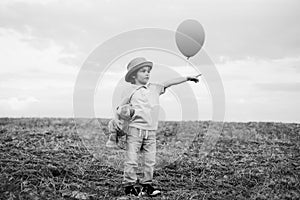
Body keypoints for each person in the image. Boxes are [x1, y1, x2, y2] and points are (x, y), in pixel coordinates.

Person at [115, 57, 200, 197]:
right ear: (134, 75)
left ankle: (146, 185)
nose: (147, 73)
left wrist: (186, 78)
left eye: (148, 71)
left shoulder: (155, 88)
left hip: (151, 132)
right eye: (143, 71)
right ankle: (129, 186)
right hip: (135, 131)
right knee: (132, 160)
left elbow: (169, 82)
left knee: (150, 161)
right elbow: (119, 109)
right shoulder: (130, 91)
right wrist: (118, 123)